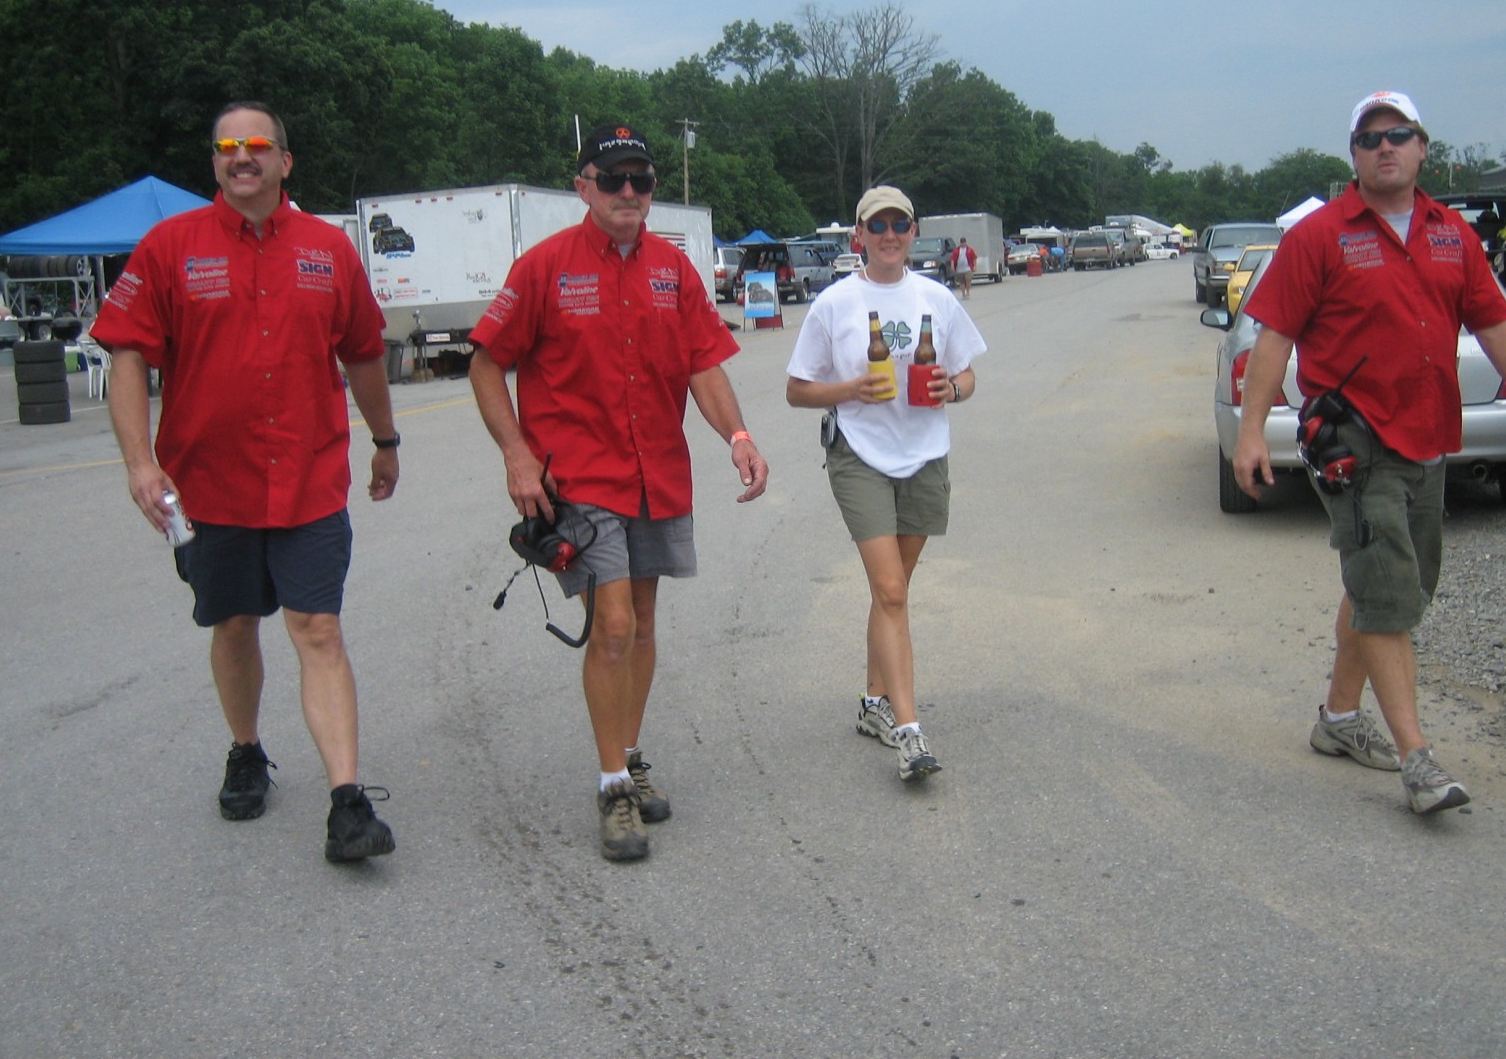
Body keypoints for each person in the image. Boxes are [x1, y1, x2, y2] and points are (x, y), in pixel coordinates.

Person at [1232, 91, 1506, 816]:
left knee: (1392, 583)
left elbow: (1494, 323)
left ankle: (1337, 719)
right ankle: (1418, 760)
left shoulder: (1452, 234)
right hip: (1353, 441)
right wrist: (1251, 432)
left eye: (1398, 135)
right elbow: (1274, 337)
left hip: (1429, 435)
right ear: (1353, 155)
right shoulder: (1320, 237)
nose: (1384, 147)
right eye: (1370, 138)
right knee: (1388, 590)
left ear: (1423, 148)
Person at [90, 101, 400, 861]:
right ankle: (247, 749)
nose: (241, 156)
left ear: (284, 162)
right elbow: (126, 352)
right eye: (226, 146)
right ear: (215, 162)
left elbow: (364, 351)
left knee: (318, 629)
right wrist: (139, 461)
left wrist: (385, 440)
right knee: (233, 625)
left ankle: (347, 802)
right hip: (210, 486)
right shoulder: (169, 248)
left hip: (308, 477)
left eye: (256, 144)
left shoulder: (328, 250)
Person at [468, 123, 768, 862]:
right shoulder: (543, 268)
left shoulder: (672, 269)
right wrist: (516, 455)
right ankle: (611, 790)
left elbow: (702, 363)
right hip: (580, 480)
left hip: (656, 472)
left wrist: (737, 435)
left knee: (642, 621)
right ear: (584, 188)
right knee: (612, 626)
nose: (629, 191)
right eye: (613, 179)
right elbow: (485, 362)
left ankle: (629, 758)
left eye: (641, 179)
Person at [786, 186, 986, 783]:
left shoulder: (936, 298)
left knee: (892, 589)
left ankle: (874, 703)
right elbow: (797, 389)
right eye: (878, 226)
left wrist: (954, 389)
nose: (890, 235)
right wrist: (849, 390)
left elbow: (968, 373)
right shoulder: (835, 303)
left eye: (900, 224)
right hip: (860, 454)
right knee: (892, 591)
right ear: (859, 237)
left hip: (925, 454)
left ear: (914, 231)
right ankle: (909, 732)